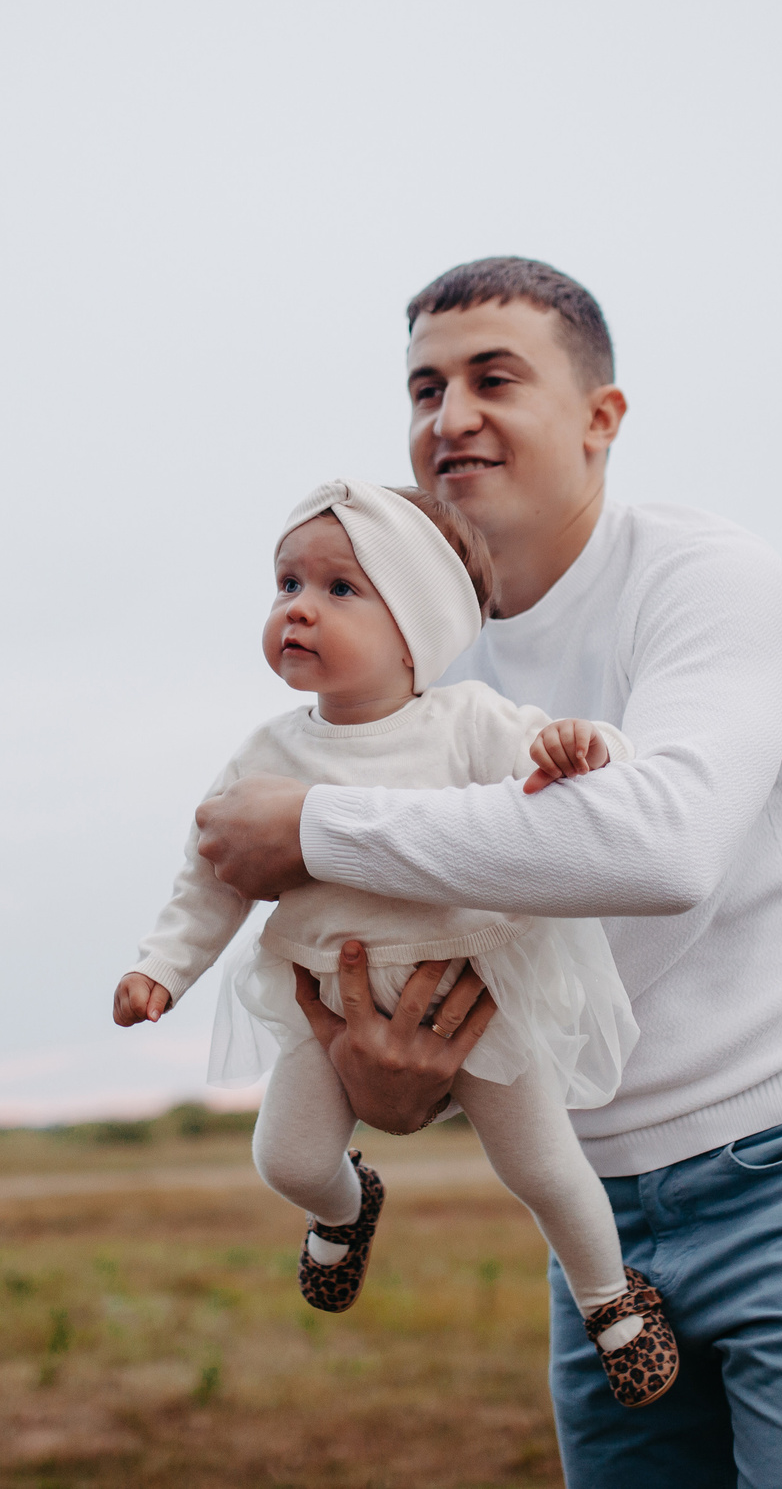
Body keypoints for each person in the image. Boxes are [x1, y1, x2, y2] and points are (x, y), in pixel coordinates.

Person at [192, 259, 782, 1485]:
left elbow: (665, 844)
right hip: (595, 1204)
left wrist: (315, 827)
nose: (450, 417)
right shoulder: (413, 656)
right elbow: (454, 931)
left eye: (494, 379)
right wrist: (392, 1075)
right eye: (424, 388)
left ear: (601, 418)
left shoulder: (703, 579)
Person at [114, 478, 676, 1408]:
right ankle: (346, 1207)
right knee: (286, 1160)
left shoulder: (468, 721)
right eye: (287, 582)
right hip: (329, 999)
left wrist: (581, 745)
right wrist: (161, 966)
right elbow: (211, 872)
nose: (299, 606)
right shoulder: (266, 753)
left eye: (340, 588)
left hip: (477, 989)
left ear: (419, 626)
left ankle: (612, 1299)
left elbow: (574, 763)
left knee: (541, 1167)